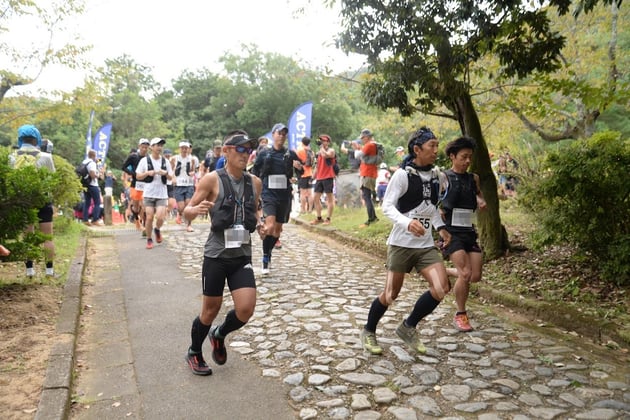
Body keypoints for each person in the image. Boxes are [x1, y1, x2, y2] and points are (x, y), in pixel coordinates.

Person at [359, 127, 451, 356]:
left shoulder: (437, 175)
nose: (436, 150)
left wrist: (441, 228)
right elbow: (387, 206)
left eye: (437, 145)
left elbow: (431, 209)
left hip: (425, 245)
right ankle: (369, 330)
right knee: (390, 295)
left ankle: (408, 326)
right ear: (417, 149)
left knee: (441, 288)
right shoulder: (402, 175)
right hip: (401, 244)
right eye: (432, 146)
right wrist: (407, 223)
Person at [183, 131, 263, 376]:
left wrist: (260, 225)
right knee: (210, 309)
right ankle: (194, 351)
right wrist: (195, 209)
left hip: (241, 255)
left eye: (248, 150)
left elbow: (254, 210)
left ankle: (219, 334)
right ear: (226, 150)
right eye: (240, 149)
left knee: (246, 309)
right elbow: (186, 211)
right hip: (216, 255)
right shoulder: (211, 180)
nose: (245, 154)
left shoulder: (255, 182)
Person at [440, 136, 487, 332]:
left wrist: (480, 200)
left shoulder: (473, 178)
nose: (467, 161)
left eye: (470, 157)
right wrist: (438, 211)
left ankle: (446, 272)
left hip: (468, 230)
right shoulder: (443, 177)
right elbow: (433, 200)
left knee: (475, 275)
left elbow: (478, 194)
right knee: (466, 273)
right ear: (452, 156)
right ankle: (461, 314)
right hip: (451, 232)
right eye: (463, 157)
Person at [251, 123, 301, 275]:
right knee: (270, 227)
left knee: (278, 231)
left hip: (284, 194)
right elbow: (254, 171)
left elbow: (304, 169)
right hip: (268, 194)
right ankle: (265, 257)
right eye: (279, 133)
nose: (281, 136)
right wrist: (256, 191)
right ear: (273, 135)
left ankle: (268, 251)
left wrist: (298, 169)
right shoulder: (264, 154)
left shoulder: (290, 154)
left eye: (284, 134)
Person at [11, 125, 57, 277]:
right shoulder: (46, 157)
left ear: (20, 138)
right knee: (47, 236)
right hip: (43, 199)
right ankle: (49, 271)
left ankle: (29, 270)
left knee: (27, 236)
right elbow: (52, 180)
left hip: (23, 201)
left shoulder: (12, 157)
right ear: (36, 139)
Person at [135, 138, 173, 249]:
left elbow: (171, 177)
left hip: (161, 193)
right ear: (152, 147)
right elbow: (137, 176)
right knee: (150, 217)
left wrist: (165, 173)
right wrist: (147, 173)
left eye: (161, 145)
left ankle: (157, 229)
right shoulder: (144, 161)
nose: (160, 147)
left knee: (161, 217)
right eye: (157, 145)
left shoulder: (165, 161)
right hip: (148, 193)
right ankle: (149, 239)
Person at [122, 139, 150, 230]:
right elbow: (123, 167)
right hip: (135, 183)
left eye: (146, 147)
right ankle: (137, 221)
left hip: (146, 183)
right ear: (139, 146)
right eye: (143, 147)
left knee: (145, 204)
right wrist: (133, 174)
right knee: (136, 206)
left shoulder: (149, 158)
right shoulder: (133, 157)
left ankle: (144, 223)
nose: (144, 149)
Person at [171, 141, 198, 231]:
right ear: (179, 149)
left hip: (189, 184)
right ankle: (180, 214)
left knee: (188, 205)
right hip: (178, 185)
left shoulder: (192, 159)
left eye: (186, 148)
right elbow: (170, 170)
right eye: (182, 148)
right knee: (181, 207)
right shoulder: (174, 158)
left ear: (188, 149)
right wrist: (173, 178)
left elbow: (194, 171)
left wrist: (193, 173)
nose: (184, 150)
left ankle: (189, 225)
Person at [310, 134, 336, 225]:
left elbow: (326, 156)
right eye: (320, 140)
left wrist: (321, 148)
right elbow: (317, 166)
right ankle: (319, 217)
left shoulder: (331, 150)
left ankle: (328, 218)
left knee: (329, 199)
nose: (321, 142)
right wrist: (312, 177)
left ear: (328, 142)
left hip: (328, 177)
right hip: (319, 178)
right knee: (315, 198)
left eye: (323, 140)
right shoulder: (318, 153)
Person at [355, 129, 379, 227]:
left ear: (367, 137)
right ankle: (374, 217)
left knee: (366, 197)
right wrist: (360, 147)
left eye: (363, 138)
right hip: (370, 173)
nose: (362, 140)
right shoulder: (373, 145)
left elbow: (358, 155)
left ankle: (371, 219)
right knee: (367, 196)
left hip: (367, 173)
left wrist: (357, 149)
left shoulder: (369, 145)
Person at [82, 149, 104, 226]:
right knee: (97, 202)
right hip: (92, 185)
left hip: (85, 185)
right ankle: (95, 219)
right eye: (96, 156)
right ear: (93, 156)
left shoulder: (84, 162)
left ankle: (85, 219)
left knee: (87, 202)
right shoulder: (92, 163)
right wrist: (98, 176)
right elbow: (92, 174)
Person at [295, 136, 314, 214]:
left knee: (302, 193)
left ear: (302, 142)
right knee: (310, 193)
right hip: (310, 173)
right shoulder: (311, 151)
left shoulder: (299, 150)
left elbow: (296, 162)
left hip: (302, 174)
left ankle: (303, 210)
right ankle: (310, 210)